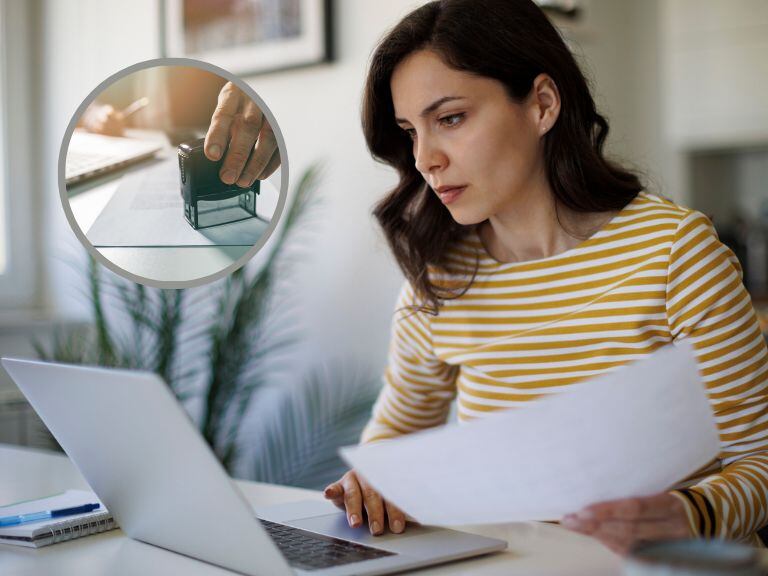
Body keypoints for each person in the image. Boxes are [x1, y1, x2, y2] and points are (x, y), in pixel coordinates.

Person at [322, 0, 768, 556]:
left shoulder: (675, 252)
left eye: (451, 118)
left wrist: (689, 513)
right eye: (410, 131)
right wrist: (370, 486)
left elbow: (760, 458)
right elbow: (391, 446)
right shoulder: (439, 278)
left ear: (542, 104)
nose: (424, 158)